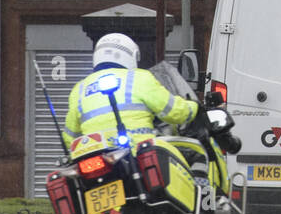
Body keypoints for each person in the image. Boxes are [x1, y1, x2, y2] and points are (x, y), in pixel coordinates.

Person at [63, 32, 202, 152]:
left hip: (99, 161)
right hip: (138, 155)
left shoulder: (79, 89)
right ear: (131, 56)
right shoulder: (139, 78)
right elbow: (173, 112)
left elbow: (70, 137)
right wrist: (195, 108)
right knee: (191, 155)